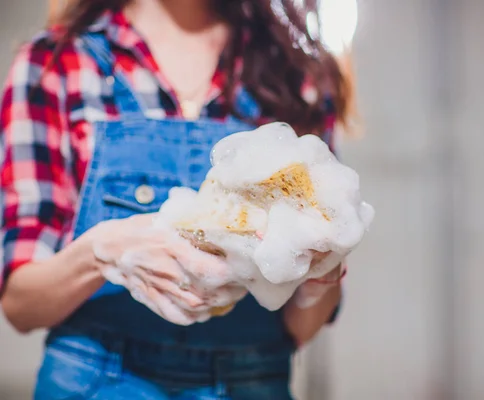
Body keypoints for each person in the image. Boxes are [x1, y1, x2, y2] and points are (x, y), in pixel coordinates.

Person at [0, 0, 355, 399]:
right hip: (96, 380)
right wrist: (104, 252)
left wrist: (320, 277)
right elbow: (21, 304)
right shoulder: (57, 63)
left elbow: (300, 328)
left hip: (253, 381)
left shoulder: (296, 73)